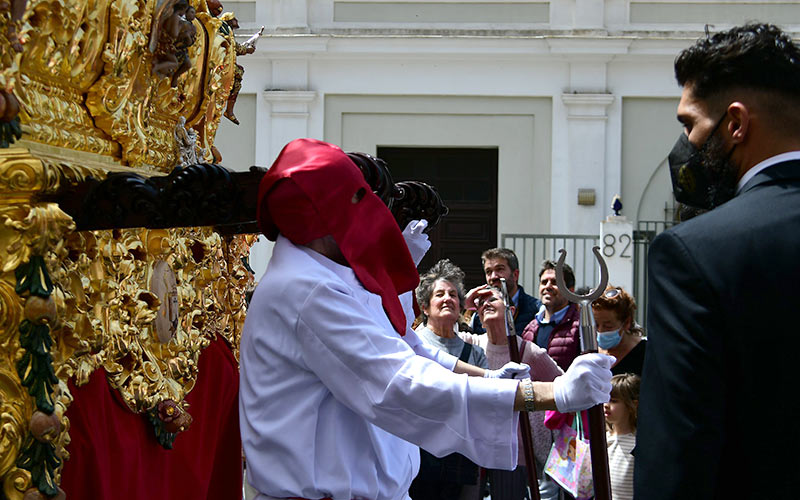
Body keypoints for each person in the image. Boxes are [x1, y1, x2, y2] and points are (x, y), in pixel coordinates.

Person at [239, 138, 615, 500]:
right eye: (358, 199)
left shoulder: (332, 278)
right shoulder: (308, 291)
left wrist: (488, 378)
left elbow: (407, 348)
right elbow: (399, 382)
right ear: (323, 212)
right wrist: (552, 394)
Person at [635, 23, 800, 499]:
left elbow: (679, 455)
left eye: (689, 124)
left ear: (735, 124)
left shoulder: (694, 254)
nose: (685, 145)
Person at [463, 287, 563, 500]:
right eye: (479, 304)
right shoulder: (472, 344)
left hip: (513, 455)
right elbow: (432, 335)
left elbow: (562, 385)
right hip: (474, 451)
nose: (485, 305)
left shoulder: (529, 351)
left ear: (512, 310)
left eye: (492, 299)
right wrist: (464, 304)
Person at [410, 259, 487, 500]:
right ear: (425, 307)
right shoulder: (412, 345)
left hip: (459, 456)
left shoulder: (475, 352)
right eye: (440, 294)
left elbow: (484, 400)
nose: (448, 299)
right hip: (419, 454)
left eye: (453, 294)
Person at [521, 261, 580, 371]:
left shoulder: (579, 327)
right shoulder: (529, 329)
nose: (548, 286)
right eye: (544, 282)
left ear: (571, 290)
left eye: (555, 282)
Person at [469, 248, 541, 335]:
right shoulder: (479, 315)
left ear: (515, 275)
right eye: (488, 272)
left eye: (499, 269)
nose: (493, 277)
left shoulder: (537, 310)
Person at [591, 286, 646, 376]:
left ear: (626, 323)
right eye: (596, 325)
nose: (600, 331)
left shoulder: (645, 355)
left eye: (608, 326)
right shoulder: (592, 351)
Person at [605, 373, 639, 500]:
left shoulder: (638, 443)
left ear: (633, 405)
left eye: (614, 401)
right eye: (606, 399)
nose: (606, 405)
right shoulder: (604, 439)